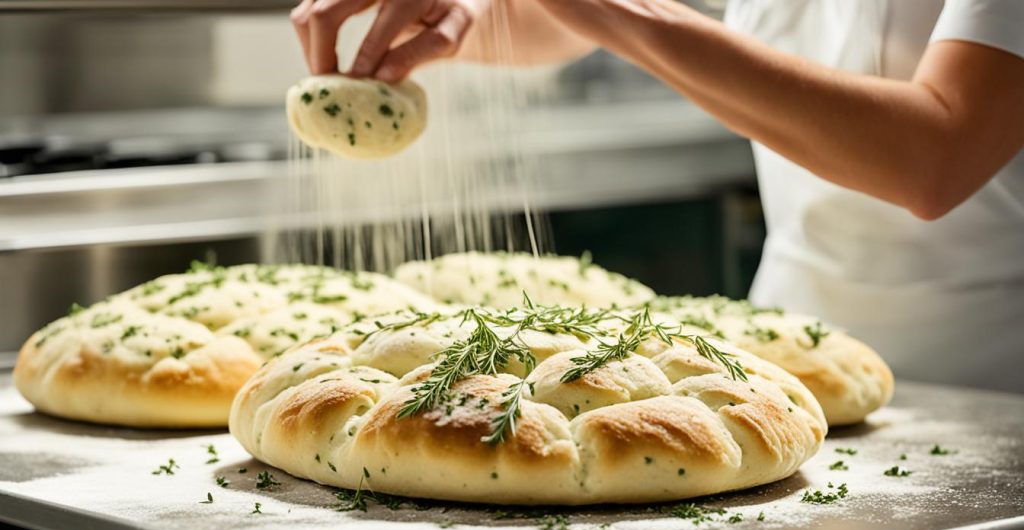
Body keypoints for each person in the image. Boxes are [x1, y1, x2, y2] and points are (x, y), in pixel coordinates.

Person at [289, 0, 1024, 393]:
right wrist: (452, 17)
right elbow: (559, 17)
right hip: (786, 366)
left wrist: (620, 11)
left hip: (992, 394)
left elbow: (935, 156)